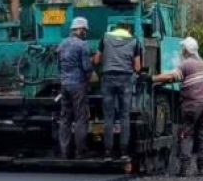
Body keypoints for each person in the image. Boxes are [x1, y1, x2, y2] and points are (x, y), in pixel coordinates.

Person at [155, 36, 203, 176]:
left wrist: (153, 78)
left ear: (186, 50)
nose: (182, 51)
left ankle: (184, 168)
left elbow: (172, 77)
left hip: (192, 105)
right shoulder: (202, 63)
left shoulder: (186, 65)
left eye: (183, 49)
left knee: (186, 135)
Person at [94, 21, 142, 159]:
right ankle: (124, 152)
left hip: (108, 78)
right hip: (125, 80)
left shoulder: (105, 38)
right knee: (124, 116)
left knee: (108, 116)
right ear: (128, 29)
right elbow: (137, 67)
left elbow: (96, 60)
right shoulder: (134, 41)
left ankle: (108, 152)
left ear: (115, 29)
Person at [56, 16, 94, 159]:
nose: (85, 33)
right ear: (80, 29)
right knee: (80, 118)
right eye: (85, 30)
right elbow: (87, 67)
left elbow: (59, 66)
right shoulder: (82, 45)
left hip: (64, 85)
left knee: (65, 118)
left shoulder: (62, 44)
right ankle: (81, 151)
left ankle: (65, 152)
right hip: (78, 85)